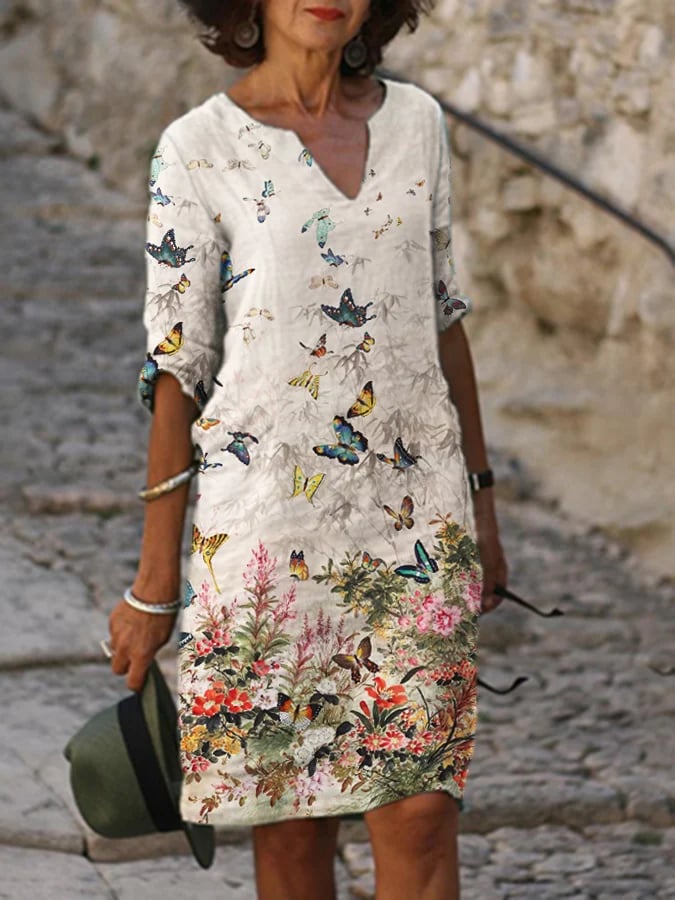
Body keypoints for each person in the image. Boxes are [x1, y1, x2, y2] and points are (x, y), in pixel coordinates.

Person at [108, 1, 508, 897]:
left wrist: (481, 501)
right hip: (262, 544)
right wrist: (154, 583)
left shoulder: (417, 124)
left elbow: (443, 317)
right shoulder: (196, 148)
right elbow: (175, 369)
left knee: (420, 812)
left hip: (415, 530)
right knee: (291, 836)